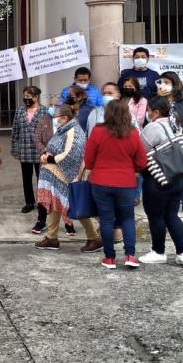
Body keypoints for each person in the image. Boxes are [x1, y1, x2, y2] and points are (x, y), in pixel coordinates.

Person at [85, 100, 147, 269]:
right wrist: (130, 168)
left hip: (100, 182)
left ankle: (110, 258)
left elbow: (88, 161)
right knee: (127, 218)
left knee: (106, 220)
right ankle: (130, 255)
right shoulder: (133, 133)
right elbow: (142, 161)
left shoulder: (98, 131)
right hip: (126, 183)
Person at [34, 105, 103, 253]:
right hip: (56, 175)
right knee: (54, 203)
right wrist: (46, 155)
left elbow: (71, 155)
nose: (54, 120)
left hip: (67, 176)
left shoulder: (74, 131)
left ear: (64, 118)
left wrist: (50, 159)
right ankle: (52, 237)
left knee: (73, 206)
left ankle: (94, 239)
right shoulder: (64, 129)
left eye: (56, 117)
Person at [138, 97, 183, 267]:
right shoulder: (175, 124)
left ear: (156, 112)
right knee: (172, 215)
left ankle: (158, 251)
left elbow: (141, 152)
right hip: (178, 176)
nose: (147, 113)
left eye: (149, 110)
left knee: (156, 216)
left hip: (157, 178)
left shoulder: (152, 127)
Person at [32, 105, 79, 239]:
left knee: (63, 195)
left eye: (56, 106)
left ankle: (68, 223)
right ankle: (41, 221)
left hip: (63, 165)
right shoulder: (44, 120)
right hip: (47, 162)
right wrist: (45, 152)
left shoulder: (71, 126)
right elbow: (36, 138)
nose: (52, 108)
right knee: (45, 193)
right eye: (50, 105)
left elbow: (72, 146)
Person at [157, 71, 183, 216]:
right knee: (163, 174)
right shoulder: (156, 100)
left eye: (167, 83)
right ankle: (165, 204)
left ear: (175, 84)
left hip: (182, 141)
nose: (164, 85)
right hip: (161, 143)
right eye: (162, 82)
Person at [10, 86, 49, 214]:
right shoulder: (20, 111)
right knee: (26, 178)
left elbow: (49, 133)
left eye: (29, 97)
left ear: (36, 97)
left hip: (40, 151)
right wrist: (15, 148)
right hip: (25, 150)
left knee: (41, 178)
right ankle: (29, 202)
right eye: (25, 96)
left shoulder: (45, 111)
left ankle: (42, 202)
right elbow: (15, 130)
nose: (26, 99)